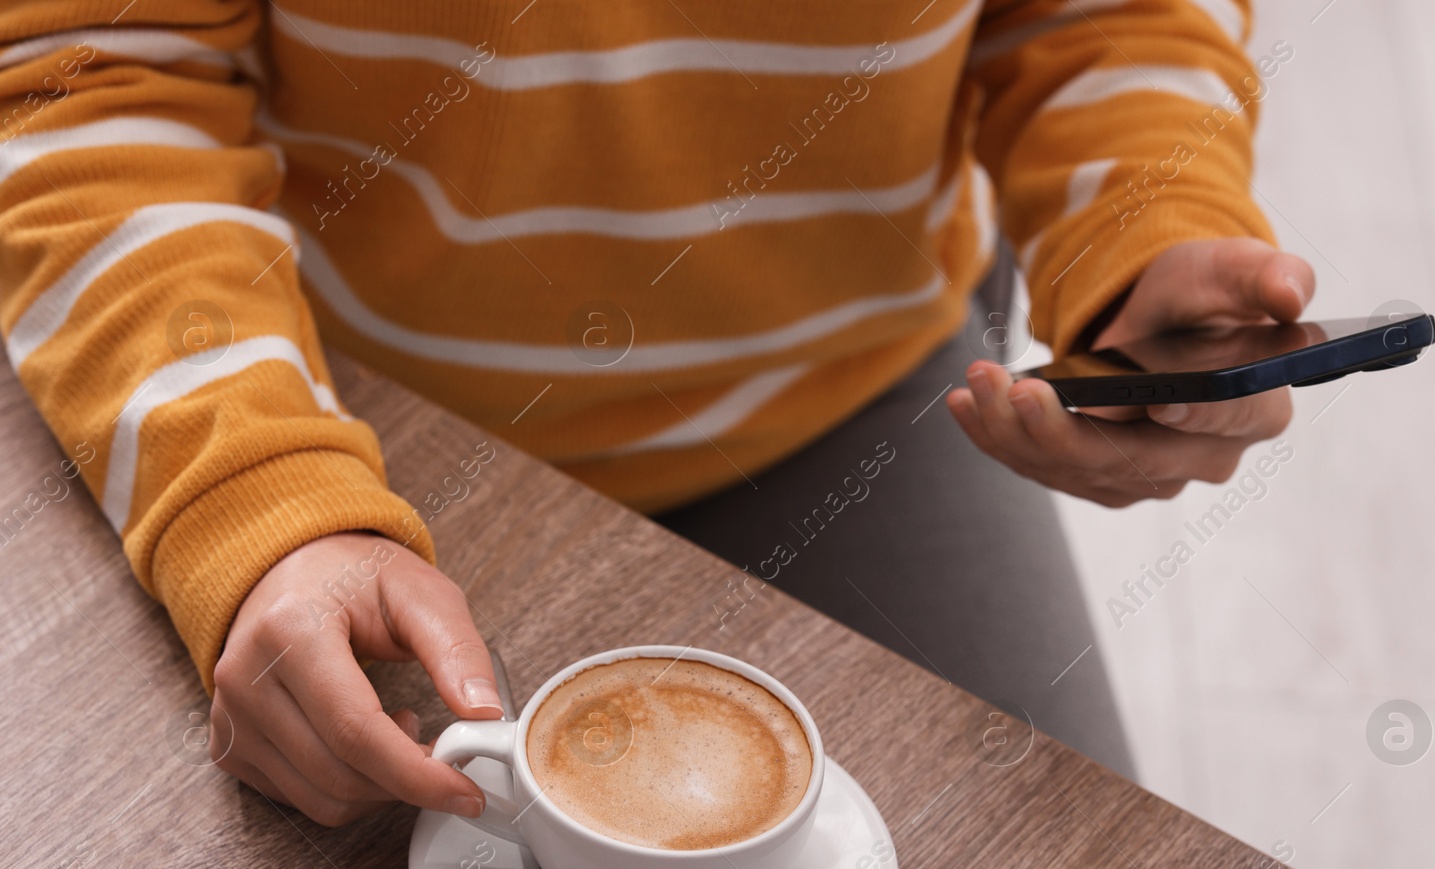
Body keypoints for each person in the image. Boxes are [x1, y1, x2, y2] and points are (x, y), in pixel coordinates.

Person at [2, 2, 1311, 825]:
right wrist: (259, 506)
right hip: (347, 412)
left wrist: (1147, 219)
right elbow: (95, 71)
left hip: (857, 386)